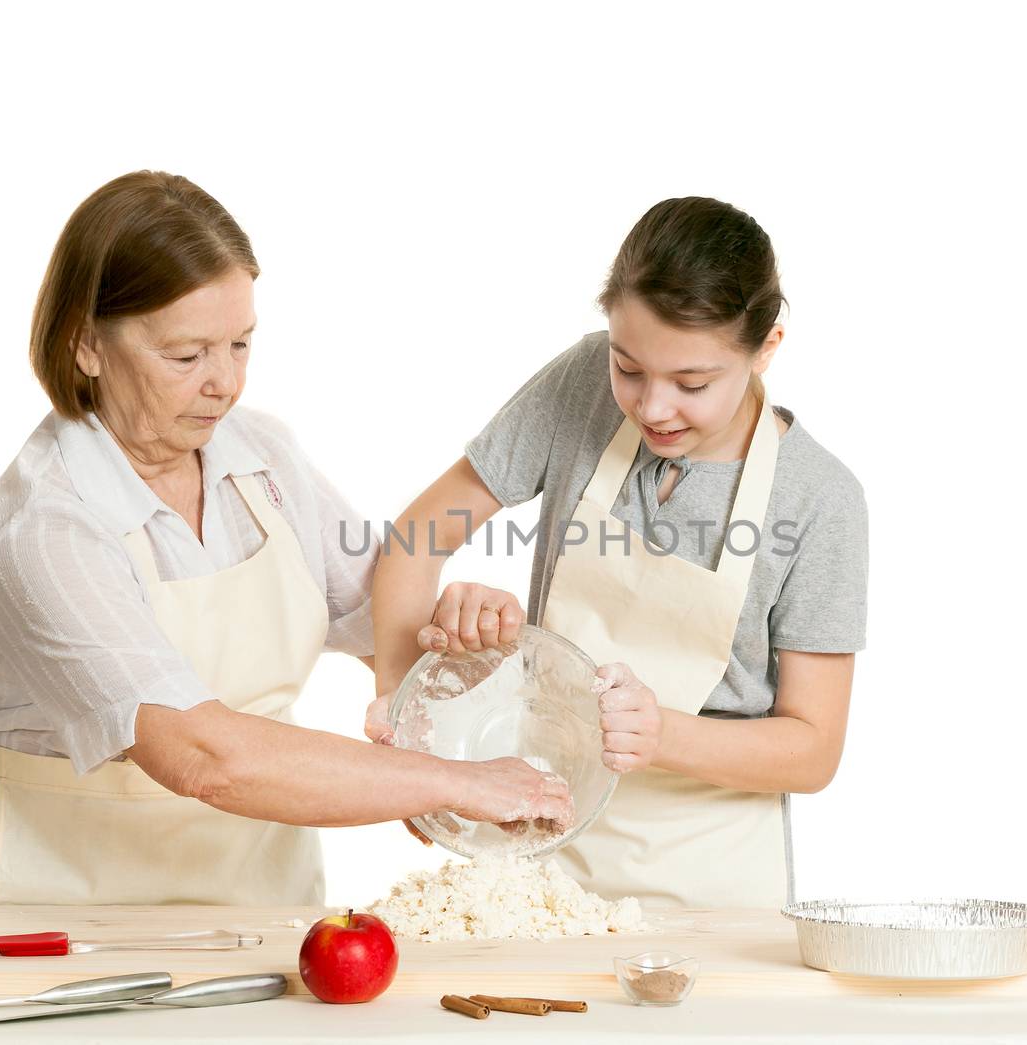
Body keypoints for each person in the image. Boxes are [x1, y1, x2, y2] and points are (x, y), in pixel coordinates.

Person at [0, 170, 569, 907]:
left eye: (240, 343)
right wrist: (454, 782)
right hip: (77, 921)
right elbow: (203, 756)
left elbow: (389, 628)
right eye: (186, 356)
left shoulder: (263, 460)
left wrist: (460, 627)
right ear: (86, 343)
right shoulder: (46, 529)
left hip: (265, 902)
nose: (225, 383)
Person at [370, 197, 867, 908]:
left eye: (692, 383)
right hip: (540, 855)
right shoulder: (579, 385)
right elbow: (415, 542)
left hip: (715, 884)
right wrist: (403, 731)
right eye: (628, 367)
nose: (653, 406)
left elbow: (813, 748)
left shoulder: (821, 498)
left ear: (767, 347)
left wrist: (659, 733)